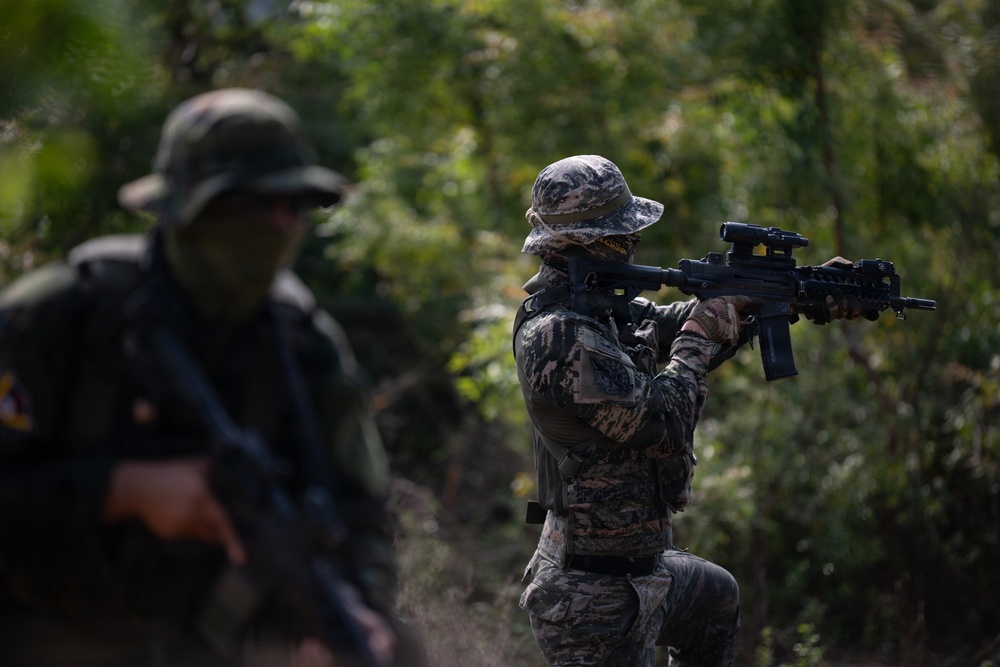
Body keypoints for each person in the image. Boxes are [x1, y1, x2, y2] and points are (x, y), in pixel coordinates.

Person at [0, 88, 418, 666]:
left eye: (297, 205)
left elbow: (362, 513)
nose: (280, 224)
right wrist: (120, 491)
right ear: (185, 209)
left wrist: (357, 608)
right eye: (252, 203)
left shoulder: (303, 347)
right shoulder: (60, 316)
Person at [514, 155, 858, 666]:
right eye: (618, 236)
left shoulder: (600, 309)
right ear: (584, 243)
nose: (632, 244)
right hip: (590, 594)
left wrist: (784, 301)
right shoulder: (559, 335)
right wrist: (700, 336)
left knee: (718, 599)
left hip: (643, 568)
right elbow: (662, 424)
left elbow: (671, 323)